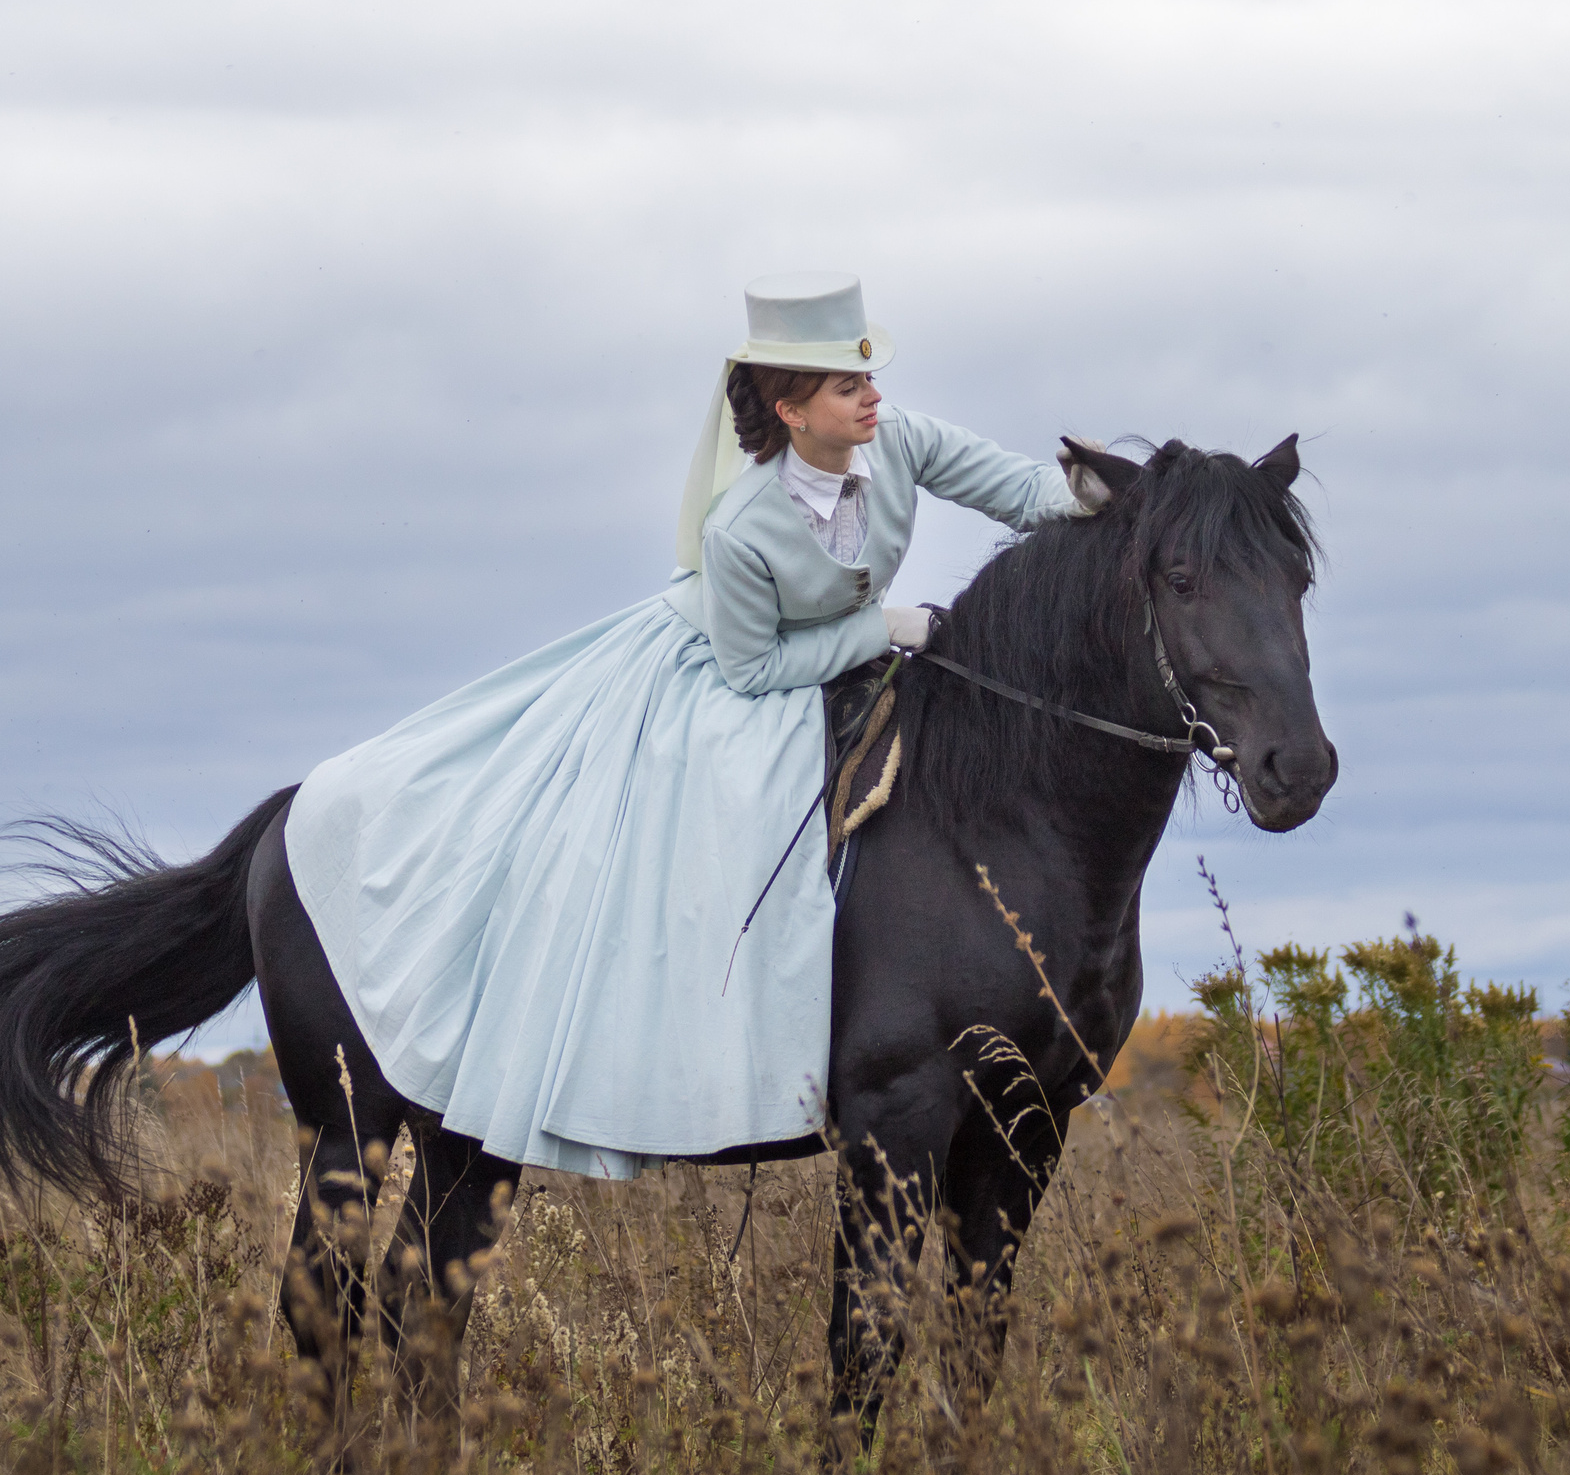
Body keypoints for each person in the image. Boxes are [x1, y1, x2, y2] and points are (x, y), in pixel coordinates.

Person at [283, 272, 1109, 1177]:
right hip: (725, 678)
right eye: (848, 385)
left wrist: (1099, 493)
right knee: (732, 809)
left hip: (825, 658)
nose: (874, 396)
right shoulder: (744, 528)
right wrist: (879, 627)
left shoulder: (900, 439)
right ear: (792, 410)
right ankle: (705, 1044)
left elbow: (1021, 490)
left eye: (871, 378)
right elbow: (752, 668)